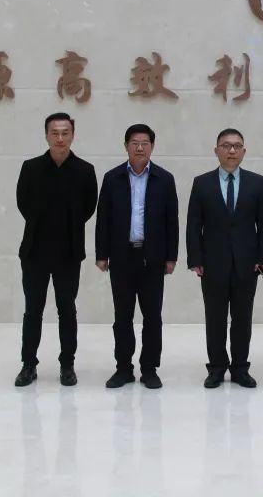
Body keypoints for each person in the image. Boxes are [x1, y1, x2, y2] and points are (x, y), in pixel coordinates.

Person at [14, 112, 98, 387]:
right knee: (32, 311)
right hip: (35, 252)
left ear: (72, 135)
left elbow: (88, 207)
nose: (60, 138)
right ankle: (28, 364)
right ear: (46, 135)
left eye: (65, 133)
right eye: (55, 133)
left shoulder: (85, 170)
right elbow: (23, 203)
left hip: (68, 253)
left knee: (67, 310)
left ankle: (67, 365)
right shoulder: (31, 168)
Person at [95, 124, 179, 390]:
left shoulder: (164, 179)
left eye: (145, 143)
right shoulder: (112, 178)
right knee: (123, 316)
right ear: (126, 146)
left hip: (153, 257)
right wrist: (101, 254)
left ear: (152, 146)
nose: (140, 147)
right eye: (134, 143)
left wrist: (171, 257)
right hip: (121, 256)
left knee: (152, 317)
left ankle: (149, 369)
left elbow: (172, 221)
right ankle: (123, 368)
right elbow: (103, 219)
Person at [186, 128, 263, 388]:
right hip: (212, 263)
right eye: (226, 145)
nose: (231, 150)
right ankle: (216, 368)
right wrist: (196, 259)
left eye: (236, 146)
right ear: (216, 151)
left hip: (247, 263)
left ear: (244, 151)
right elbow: (193, 224)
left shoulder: (256, 182)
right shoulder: (202, 183)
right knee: (215, 318)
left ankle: (240, 368)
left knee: (243, 319)